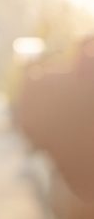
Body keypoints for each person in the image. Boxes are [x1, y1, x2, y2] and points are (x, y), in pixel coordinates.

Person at [14, 36, 94, 202]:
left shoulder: (53, 82)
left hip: (66, 178)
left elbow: (29, 119)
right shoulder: (55, 83)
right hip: (68, 179)